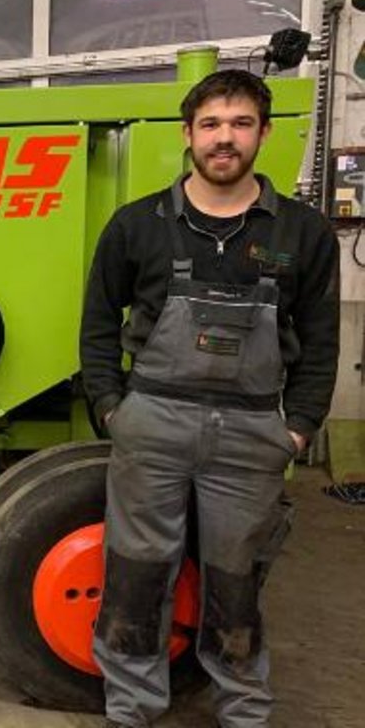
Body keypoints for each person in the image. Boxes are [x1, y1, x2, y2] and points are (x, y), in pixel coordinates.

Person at [80, 69, 339, 728]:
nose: (226, 138)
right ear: (188, 134)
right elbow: (99, 322)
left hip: (252, 432)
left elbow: (320, 336)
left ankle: (244, 710)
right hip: (153, 421)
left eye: (242, 123)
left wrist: (300, 426)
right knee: (136, 575)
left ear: (264, 133)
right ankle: (131, 707)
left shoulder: (303, 233)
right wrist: (113, 406)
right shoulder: (138, 225)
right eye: (213, 124)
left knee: (236, 581)